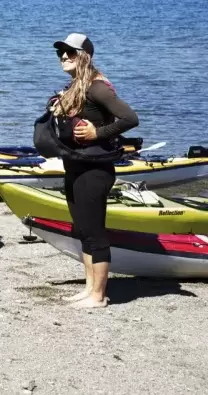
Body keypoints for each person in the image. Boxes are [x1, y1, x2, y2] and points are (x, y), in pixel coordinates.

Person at [49, 33, 138, 309]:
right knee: (84, 230)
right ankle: (89, 289)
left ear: (84, 56)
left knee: (95, 232)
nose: (64, 57)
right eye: (61, 53)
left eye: (71, 53)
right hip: (76, 165)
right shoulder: (76, 86)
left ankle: (98, 296)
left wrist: (97, 132)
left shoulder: (96, 88)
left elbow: (130, 118)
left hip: (95, 170)